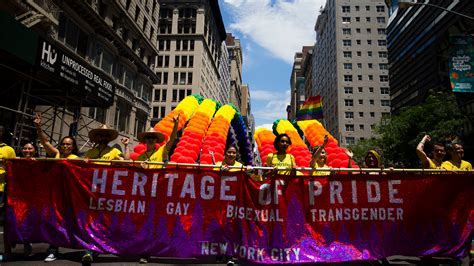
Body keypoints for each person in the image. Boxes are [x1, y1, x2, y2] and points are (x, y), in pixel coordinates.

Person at [82, 125, 128, 264]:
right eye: (101, 135)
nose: (103, 138)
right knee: (91, 220)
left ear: (109, 138)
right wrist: (84, 162)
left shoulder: (114, 150)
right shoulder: (90, 151)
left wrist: (125, 148)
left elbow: (125, 161)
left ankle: (104, 245)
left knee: (106, 220)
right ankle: (89, 250)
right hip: (91, 191)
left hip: (108, 192)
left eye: (106, 136)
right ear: (98, 137)